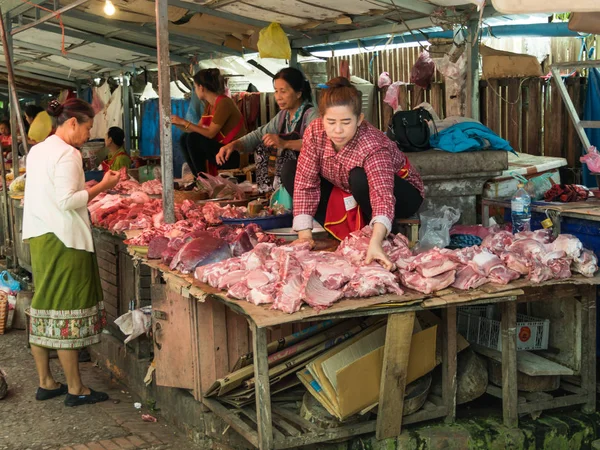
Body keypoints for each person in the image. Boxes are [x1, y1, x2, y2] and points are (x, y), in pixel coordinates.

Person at [23, 98, 121, 407]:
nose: (89, 134)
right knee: (65, 309)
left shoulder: (38, 149)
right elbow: (67, 200)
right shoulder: (68, 154)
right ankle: (76, 388)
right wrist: (102, 185)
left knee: (45, 305)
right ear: (73, 123)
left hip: (40, 235)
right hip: (62, 238)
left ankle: (46, 382)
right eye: (88, 127)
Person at [282, 77, 425, 270]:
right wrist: (305, 236)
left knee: (359, 177)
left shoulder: (372, 143)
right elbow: (305, 183)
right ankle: (348, 234)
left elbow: (381, 195)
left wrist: (375, 243)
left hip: (401, 196)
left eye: (346, 122)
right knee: (291, 169)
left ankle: (378, 235)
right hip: (346, 189)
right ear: (321, 118)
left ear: (359, 120)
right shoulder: (315, 133)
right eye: (331, 122)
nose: (338, 130)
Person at [216, 68, 318, 193]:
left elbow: (317, 144)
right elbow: (259, 134)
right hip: (288, 175)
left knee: (284, 152)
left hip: (309, 176)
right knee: (262, 146)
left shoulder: (312, 115)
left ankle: (288, 197)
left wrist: (285, 143)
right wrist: (233, 145)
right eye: (276, 91)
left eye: (283, 91)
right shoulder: (283, 116)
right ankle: (268, 193)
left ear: (298, 93)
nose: (278, 97)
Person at [171, 69, 246, 175]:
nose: (195, 91)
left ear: (201, 88)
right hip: (221, 152)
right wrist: (177, 123)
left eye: (195, 87)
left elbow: (210, 134)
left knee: (193, 138)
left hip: (233, 154)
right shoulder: (209, 105)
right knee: (185, 138)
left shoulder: (224, 103)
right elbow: (198, 130)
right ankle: (198, 178)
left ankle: (203, 179)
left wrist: (184, 122)